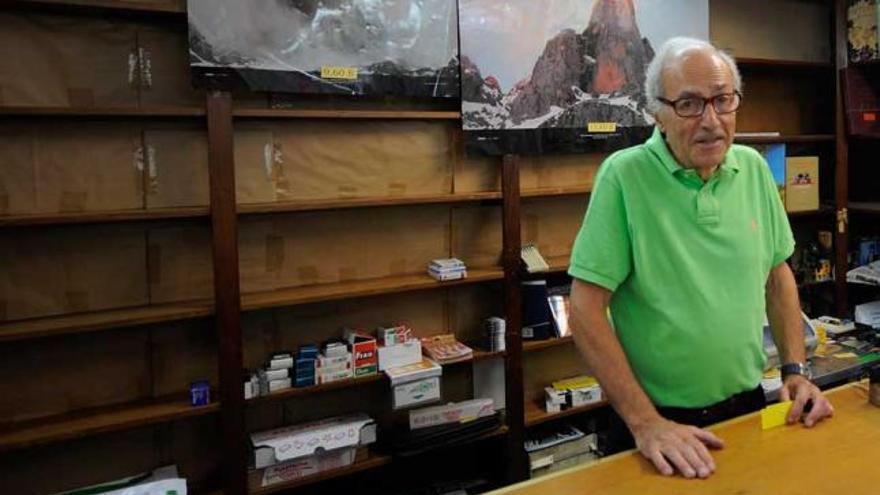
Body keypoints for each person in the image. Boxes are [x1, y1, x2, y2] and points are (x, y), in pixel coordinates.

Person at [567, 37, 834, 480]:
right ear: (658, 112)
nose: (711, 121)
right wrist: (645, 423)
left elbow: (777, 275)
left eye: (722, 100)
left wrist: (795, 370)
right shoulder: (624, 176)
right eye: (689, 104)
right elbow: (584, 308)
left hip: (747, 405)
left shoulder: (752, 168)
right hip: (656, 421)